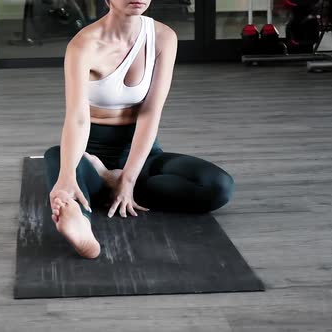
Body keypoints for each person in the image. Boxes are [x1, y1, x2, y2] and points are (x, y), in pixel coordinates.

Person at [43, 0, 234, 259]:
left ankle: (111, 183)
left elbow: (150, 113)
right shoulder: (83, 44)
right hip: (90, 156)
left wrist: (127, 179)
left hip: (141, 153)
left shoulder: (164, 37)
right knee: (59, 159)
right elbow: (77, 118)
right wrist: (67, 174)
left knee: (218, 186)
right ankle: (81, 222)